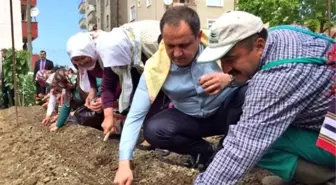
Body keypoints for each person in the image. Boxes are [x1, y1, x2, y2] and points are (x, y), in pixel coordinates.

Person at [195, 11, 336, 185]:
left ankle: (327, 177)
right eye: (221, 60)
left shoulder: (276, 81)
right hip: (328, 122)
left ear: (259, 46)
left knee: (256, 141)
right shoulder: (281, 34)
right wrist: (232, 78)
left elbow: (241, 148)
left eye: (230, 58)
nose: (224, 69)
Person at [113, 6, 247, 185]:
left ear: (199, 37)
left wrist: (230, 78)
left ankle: (228, 150)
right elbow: (135, 116)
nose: (177, 53)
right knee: (154, 130)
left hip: (225, 112)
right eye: (170, 46)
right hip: (190, 118)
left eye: (184, 45)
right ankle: (204, 151)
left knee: (247, 92)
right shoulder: (154, 68)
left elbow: (257, 72)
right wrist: (124, 163)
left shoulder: (221, 47)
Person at [95, 20, 165, 149]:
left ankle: (158, 136)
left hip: (159, 60)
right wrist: (108, 116)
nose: (118, 68)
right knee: (135, 96)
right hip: (137, 61)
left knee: (157, 96)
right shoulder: (110, 48)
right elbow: (107, 86)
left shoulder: (152, 42)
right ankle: (146, 134)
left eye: (120, 65)